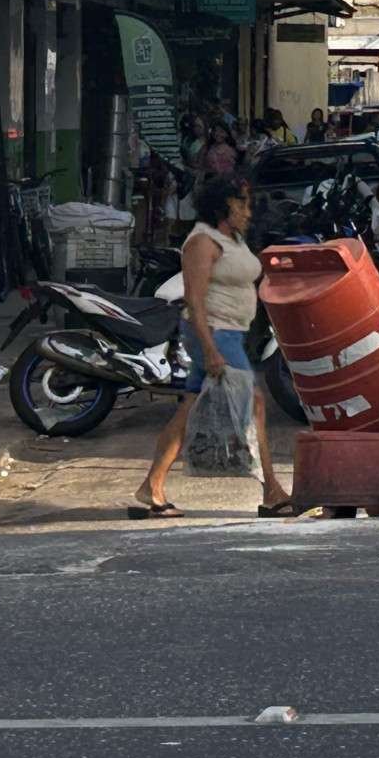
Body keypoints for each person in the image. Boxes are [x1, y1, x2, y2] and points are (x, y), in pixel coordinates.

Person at [134, 172, 291, 519]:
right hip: (215, 333)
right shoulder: (202, 242)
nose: (248, 211)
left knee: (190, 409)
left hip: (230, 333)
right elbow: (194, 299)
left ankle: (152, 486)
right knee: (257, 403)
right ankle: (273, 492)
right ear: (224, 205)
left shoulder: (233, 238)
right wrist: (209, 349)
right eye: (241, 203)